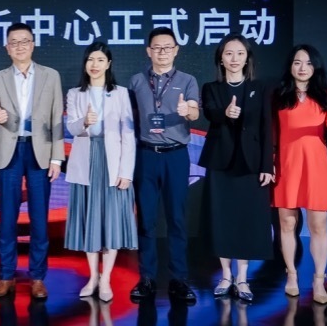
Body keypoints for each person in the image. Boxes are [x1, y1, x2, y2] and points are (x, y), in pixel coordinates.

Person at [0, 22, 65, 299]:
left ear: (33, 44)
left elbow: (56, 117)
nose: (19, 46)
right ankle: (6, 276)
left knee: (39, 218)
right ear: (7, 48)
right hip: (9, 150)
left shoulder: (50, 76)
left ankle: (38, 278)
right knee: (7, 217)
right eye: (14, 42)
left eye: (24, 41)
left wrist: (57, 157)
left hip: (40, 151)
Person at [197, 33, 274, 303]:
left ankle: (242, 277)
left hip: (250, 164)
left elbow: (266, 127)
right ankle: (226, 275)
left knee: (246, 219)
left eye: (240, 53)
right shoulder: (211, 87)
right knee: (222, 218)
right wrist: (225, 114)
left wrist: (267, 165)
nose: (234, 59)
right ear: (221, 58)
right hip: (220, 162)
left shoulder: (260, 87)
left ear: (247, 58)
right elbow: (210, 112)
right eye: (229, 53)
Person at [128, 27, 200, 302]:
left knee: (176, 219)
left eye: (167, 47)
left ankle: (179, 279)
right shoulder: (137, 81)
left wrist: (187, 111)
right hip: (146, 155)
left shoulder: (187, 80)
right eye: (157, 47)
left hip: (175, 156)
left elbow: (194, 111)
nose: (162, 52)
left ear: (176, 50)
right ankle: (146, 278)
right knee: (146, 220)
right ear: (148, 51)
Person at [64, 42, 137, 303]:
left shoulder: (121, 93)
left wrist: (126, 171)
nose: (94, 65)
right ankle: (93, 276)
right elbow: (71, 129)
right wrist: (84, 122)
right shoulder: (75, 93)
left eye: (100, 60)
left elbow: (128, 134)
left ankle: (106, 279)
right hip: (86, 161)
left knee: (111, 222)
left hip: (113, 162)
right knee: (90, 221)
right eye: (90, 60)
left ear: (108, 64)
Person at [272, 44, 327, 305]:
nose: (302, 68)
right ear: (290, 66)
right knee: (287, 223)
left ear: (316, 66)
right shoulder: (279, 94)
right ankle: (291, 275)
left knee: (319, 225)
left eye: (308, 63)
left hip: (316, 165)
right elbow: (271, 131)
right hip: (286, 163)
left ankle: (318, 280)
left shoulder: (326, 94)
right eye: (297, 62)